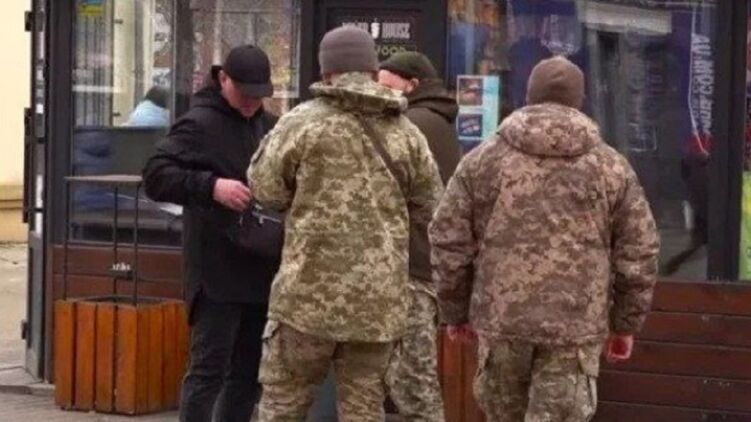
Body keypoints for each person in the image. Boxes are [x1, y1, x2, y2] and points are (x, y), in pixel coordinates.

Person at [430, 56, 660, 422]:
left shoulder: (482, 160)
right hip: (575, 328)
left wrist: (455, 311)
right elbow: (639, 252)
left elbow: (448, 239)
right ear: (579, 101)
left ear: (529, 96)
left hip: (502, 322)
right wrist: (625, 324)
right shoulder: (611, 166)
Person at [248, 26, 443, 421]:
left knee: (282, 406)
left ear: (326, 71)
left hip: (305, 300)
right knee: (364, 409)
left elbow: (265, 190)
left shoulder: (300, 123)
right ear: (372, 70)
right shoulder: (406, 132)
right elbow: (431, 205)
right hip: (378, 306)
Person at [142, 45, 279, 422]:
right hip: (216, 272)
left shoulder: (269, 126)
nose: (251, 103)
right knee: (208, 371)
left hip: (260, 267)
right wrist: (211, 186)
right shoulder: (199, 123)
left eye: (259, 96)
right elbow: (155, 176)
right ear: (223, 79)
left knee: (248, 375)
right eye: (244, 93)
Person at [378, 51, 462, 421]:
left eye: (387, 86)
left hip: (409, 264)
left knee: (412, 379)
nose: (380, 93)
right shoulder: (436, 121)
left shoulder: (412, 124)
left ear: (411, 84)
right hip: (424, 261)